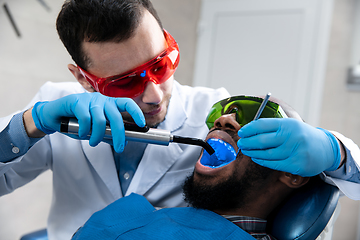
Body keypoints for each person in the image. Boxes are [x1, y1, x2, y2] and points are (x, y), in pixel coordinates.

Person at [0, 1, 359, 239]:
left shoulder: (215, 109)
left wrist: (334, 151)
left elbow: (305, 172)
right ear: (83, 79)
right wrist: (31, 124)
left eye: (160, 65)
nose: (154, 94)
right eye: (125, 81)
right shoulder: (55, 107)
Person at [70, 95, 316, 240]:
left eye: (257, 121)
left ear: (292, 174)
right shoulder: (136, 213)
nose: (224, 120)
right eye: (224, 113)